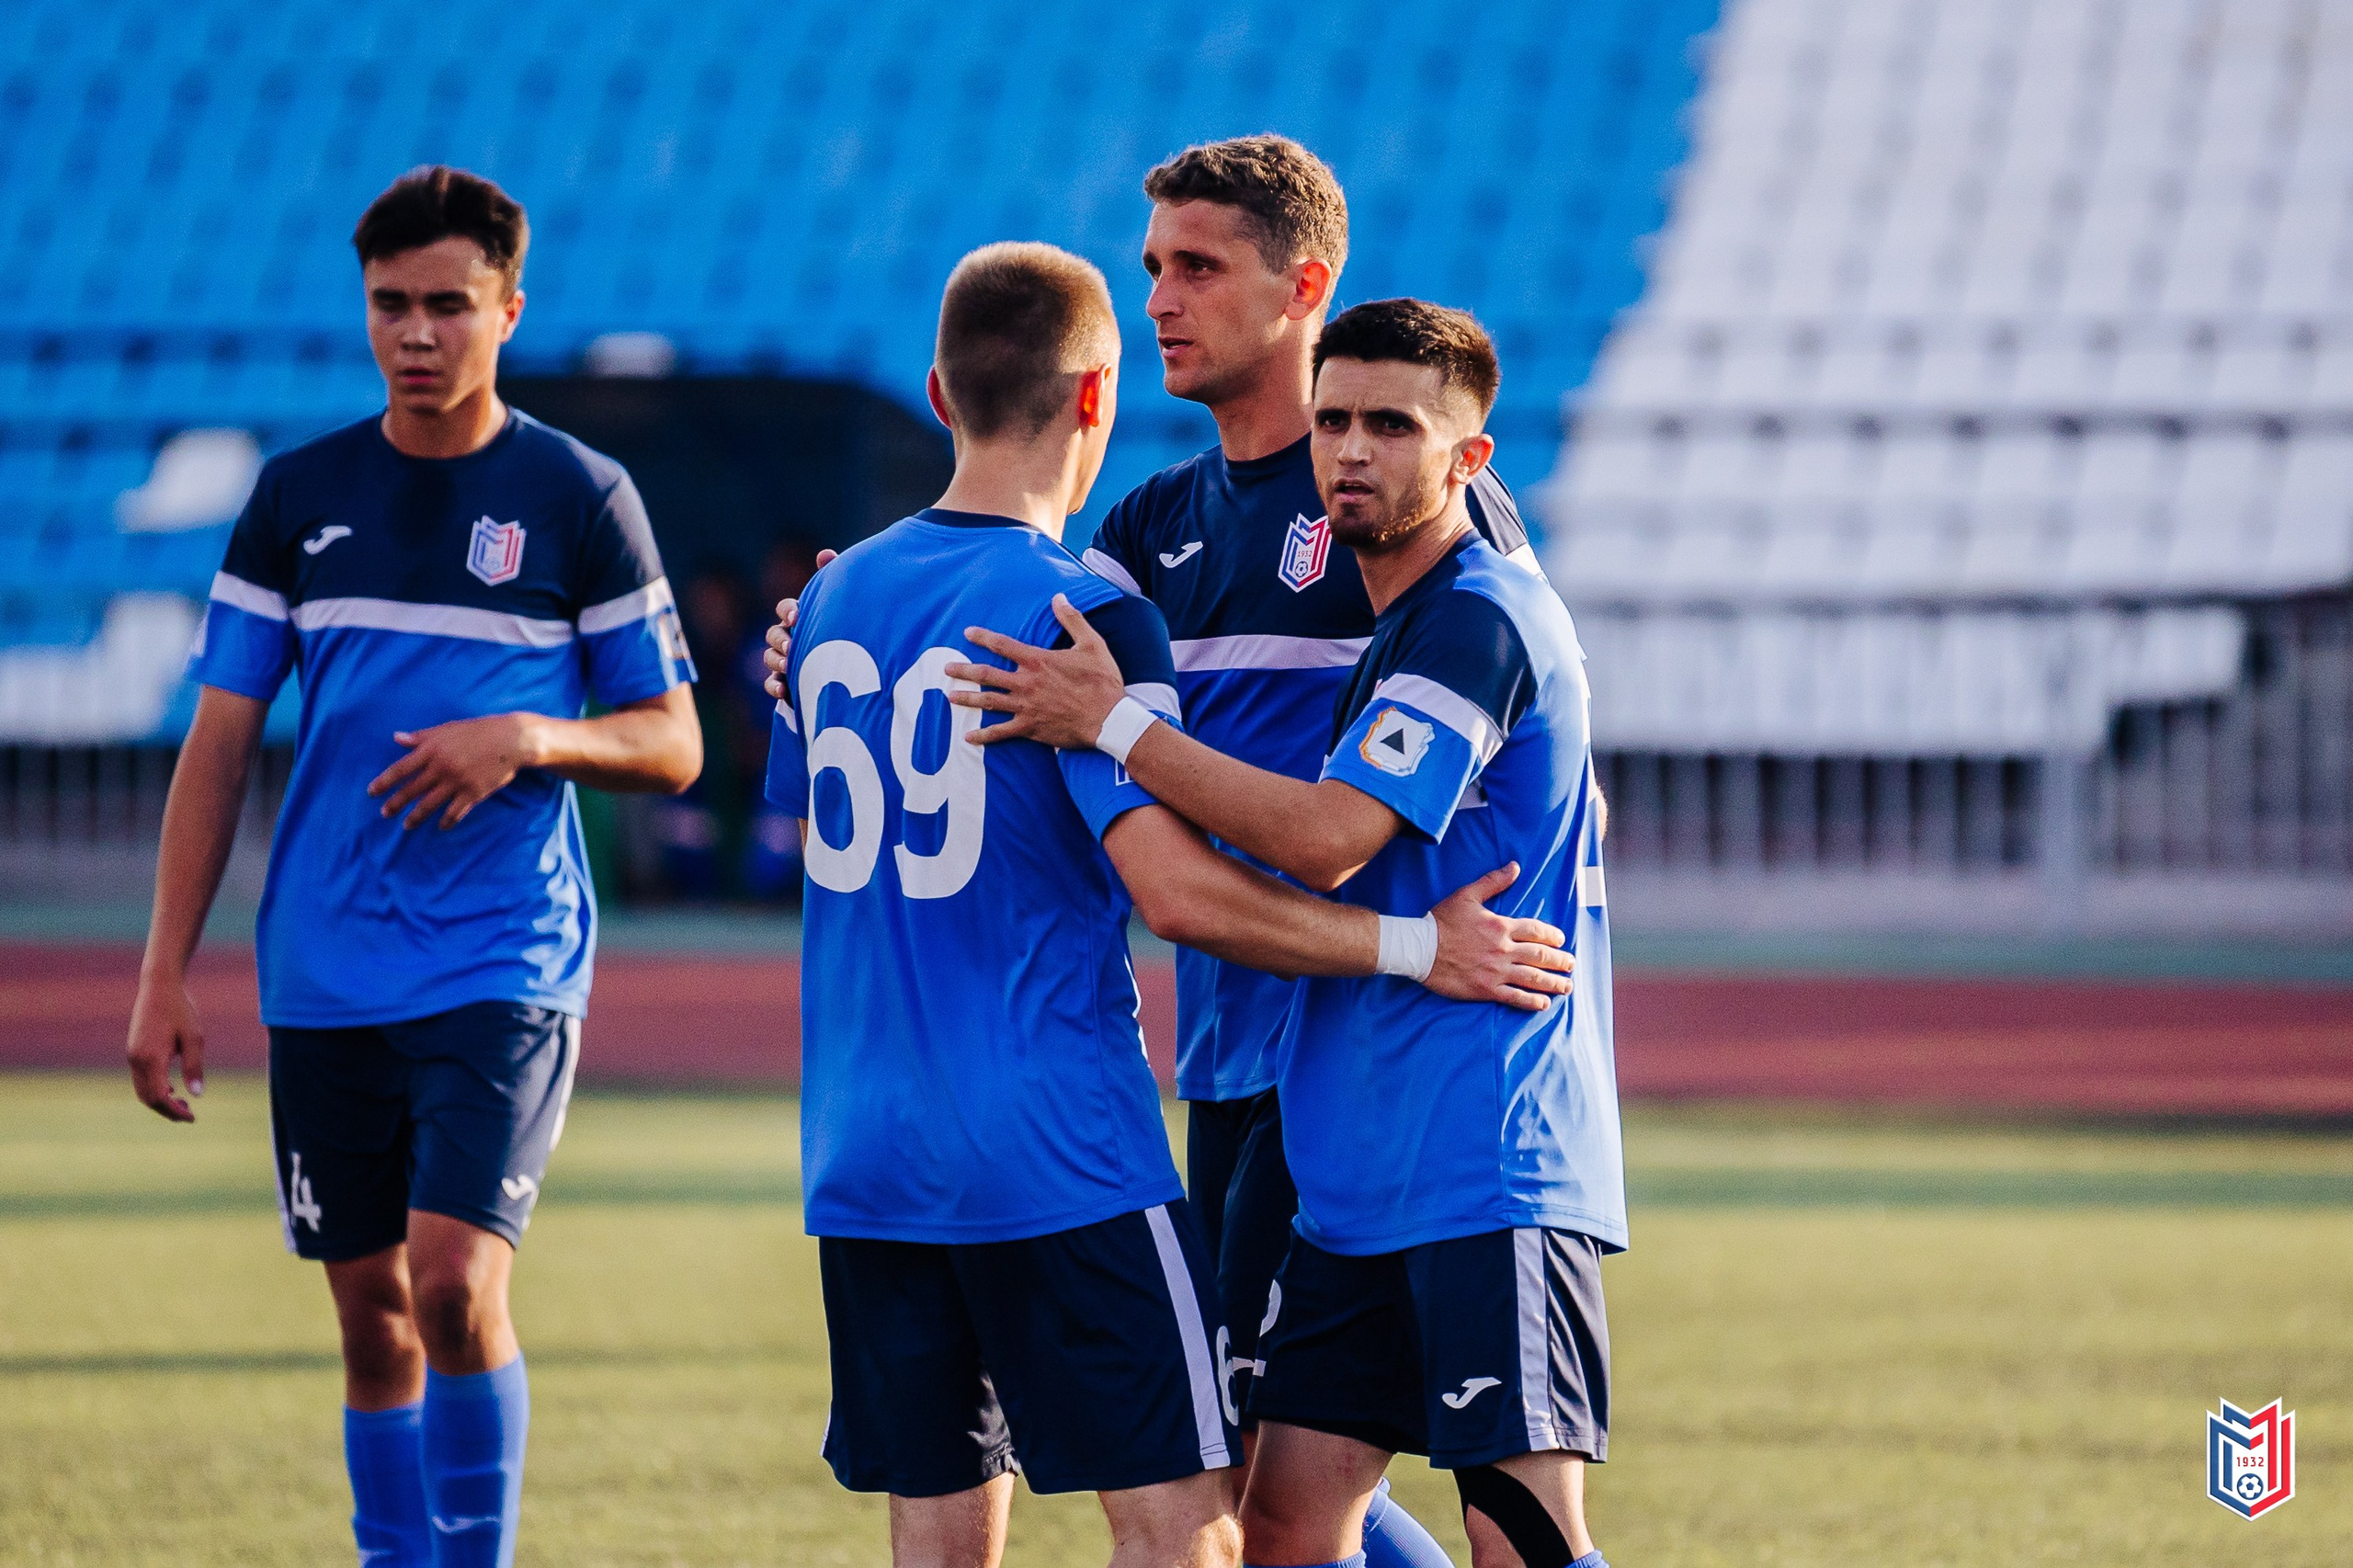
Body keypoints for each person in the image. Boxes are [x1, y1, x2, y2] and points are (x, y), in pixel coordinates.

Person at [765, 136, 1567, 1567]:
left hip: (1381, 1047)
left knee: (1291, 1480)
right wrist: (833, 641)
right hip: (1230, 1048)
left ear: (1303, 287)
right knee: (1270, 1481)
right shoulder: (1140, 534)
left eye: (1197, 266)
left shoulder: (1423, 513)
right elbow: (1006, 670)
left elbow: (1534, 747)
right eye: (1150, 269)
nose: (1162, 299)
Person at [944, 300, 1620, 1568]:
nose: (1353, 450)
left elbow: (1327, 836)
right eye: (1335, 422)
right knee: (1290, 1527)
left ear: (1470, 459)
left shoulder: (1479, 616)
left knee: (1522, 1531)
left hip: (1490, 1149)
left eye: (1393, 426)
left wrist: (1120, 728)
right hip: (1361, 1165)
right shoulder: (1398, 622)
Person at [125, 165, 702, 1568]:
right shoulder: (298, 497)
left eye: (450, 304)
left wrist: (525, 735)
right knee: (370, 1310)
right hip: (323, 964)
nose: (419, 333)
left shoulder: (579, 497)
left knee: (452, 1286)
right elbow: (216, 746)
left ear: (511, 308)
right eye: (392, 305)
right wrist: (162, 976)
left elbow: (674, 741)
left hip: (500, 960)